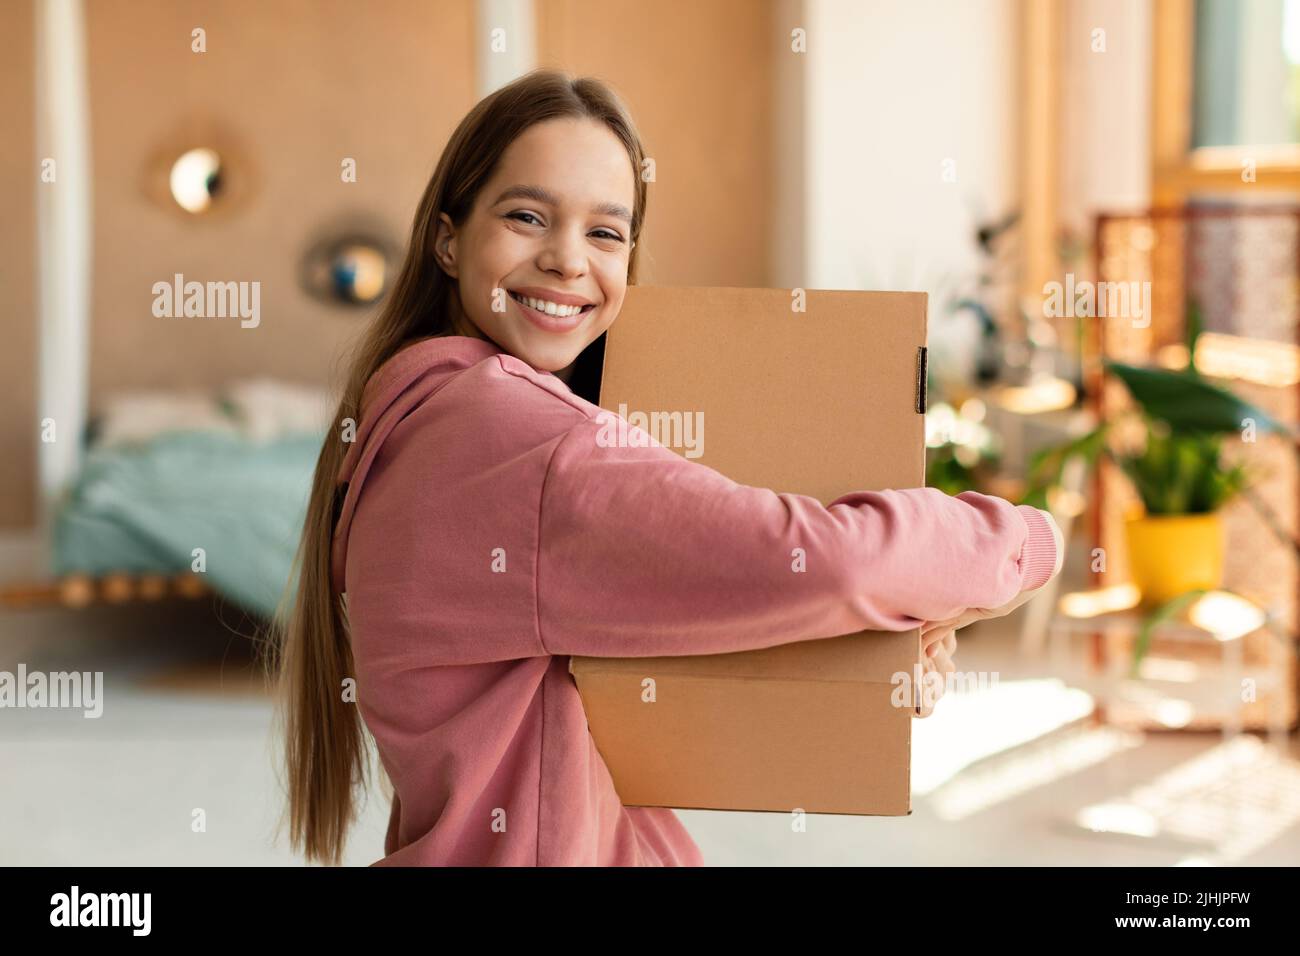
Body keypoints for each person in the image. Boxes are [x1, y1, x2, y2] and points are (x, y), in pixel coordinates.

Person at [274, 69, 1063, 867]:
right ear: (448, 237)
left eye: (606, 234)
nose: (566, 260)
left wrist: (884, 640)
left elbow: (681, 663)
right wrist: (1021, 544)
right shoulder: (512, 441)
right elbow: (829, 561)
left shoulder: (416, 423)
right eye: (526, 216)